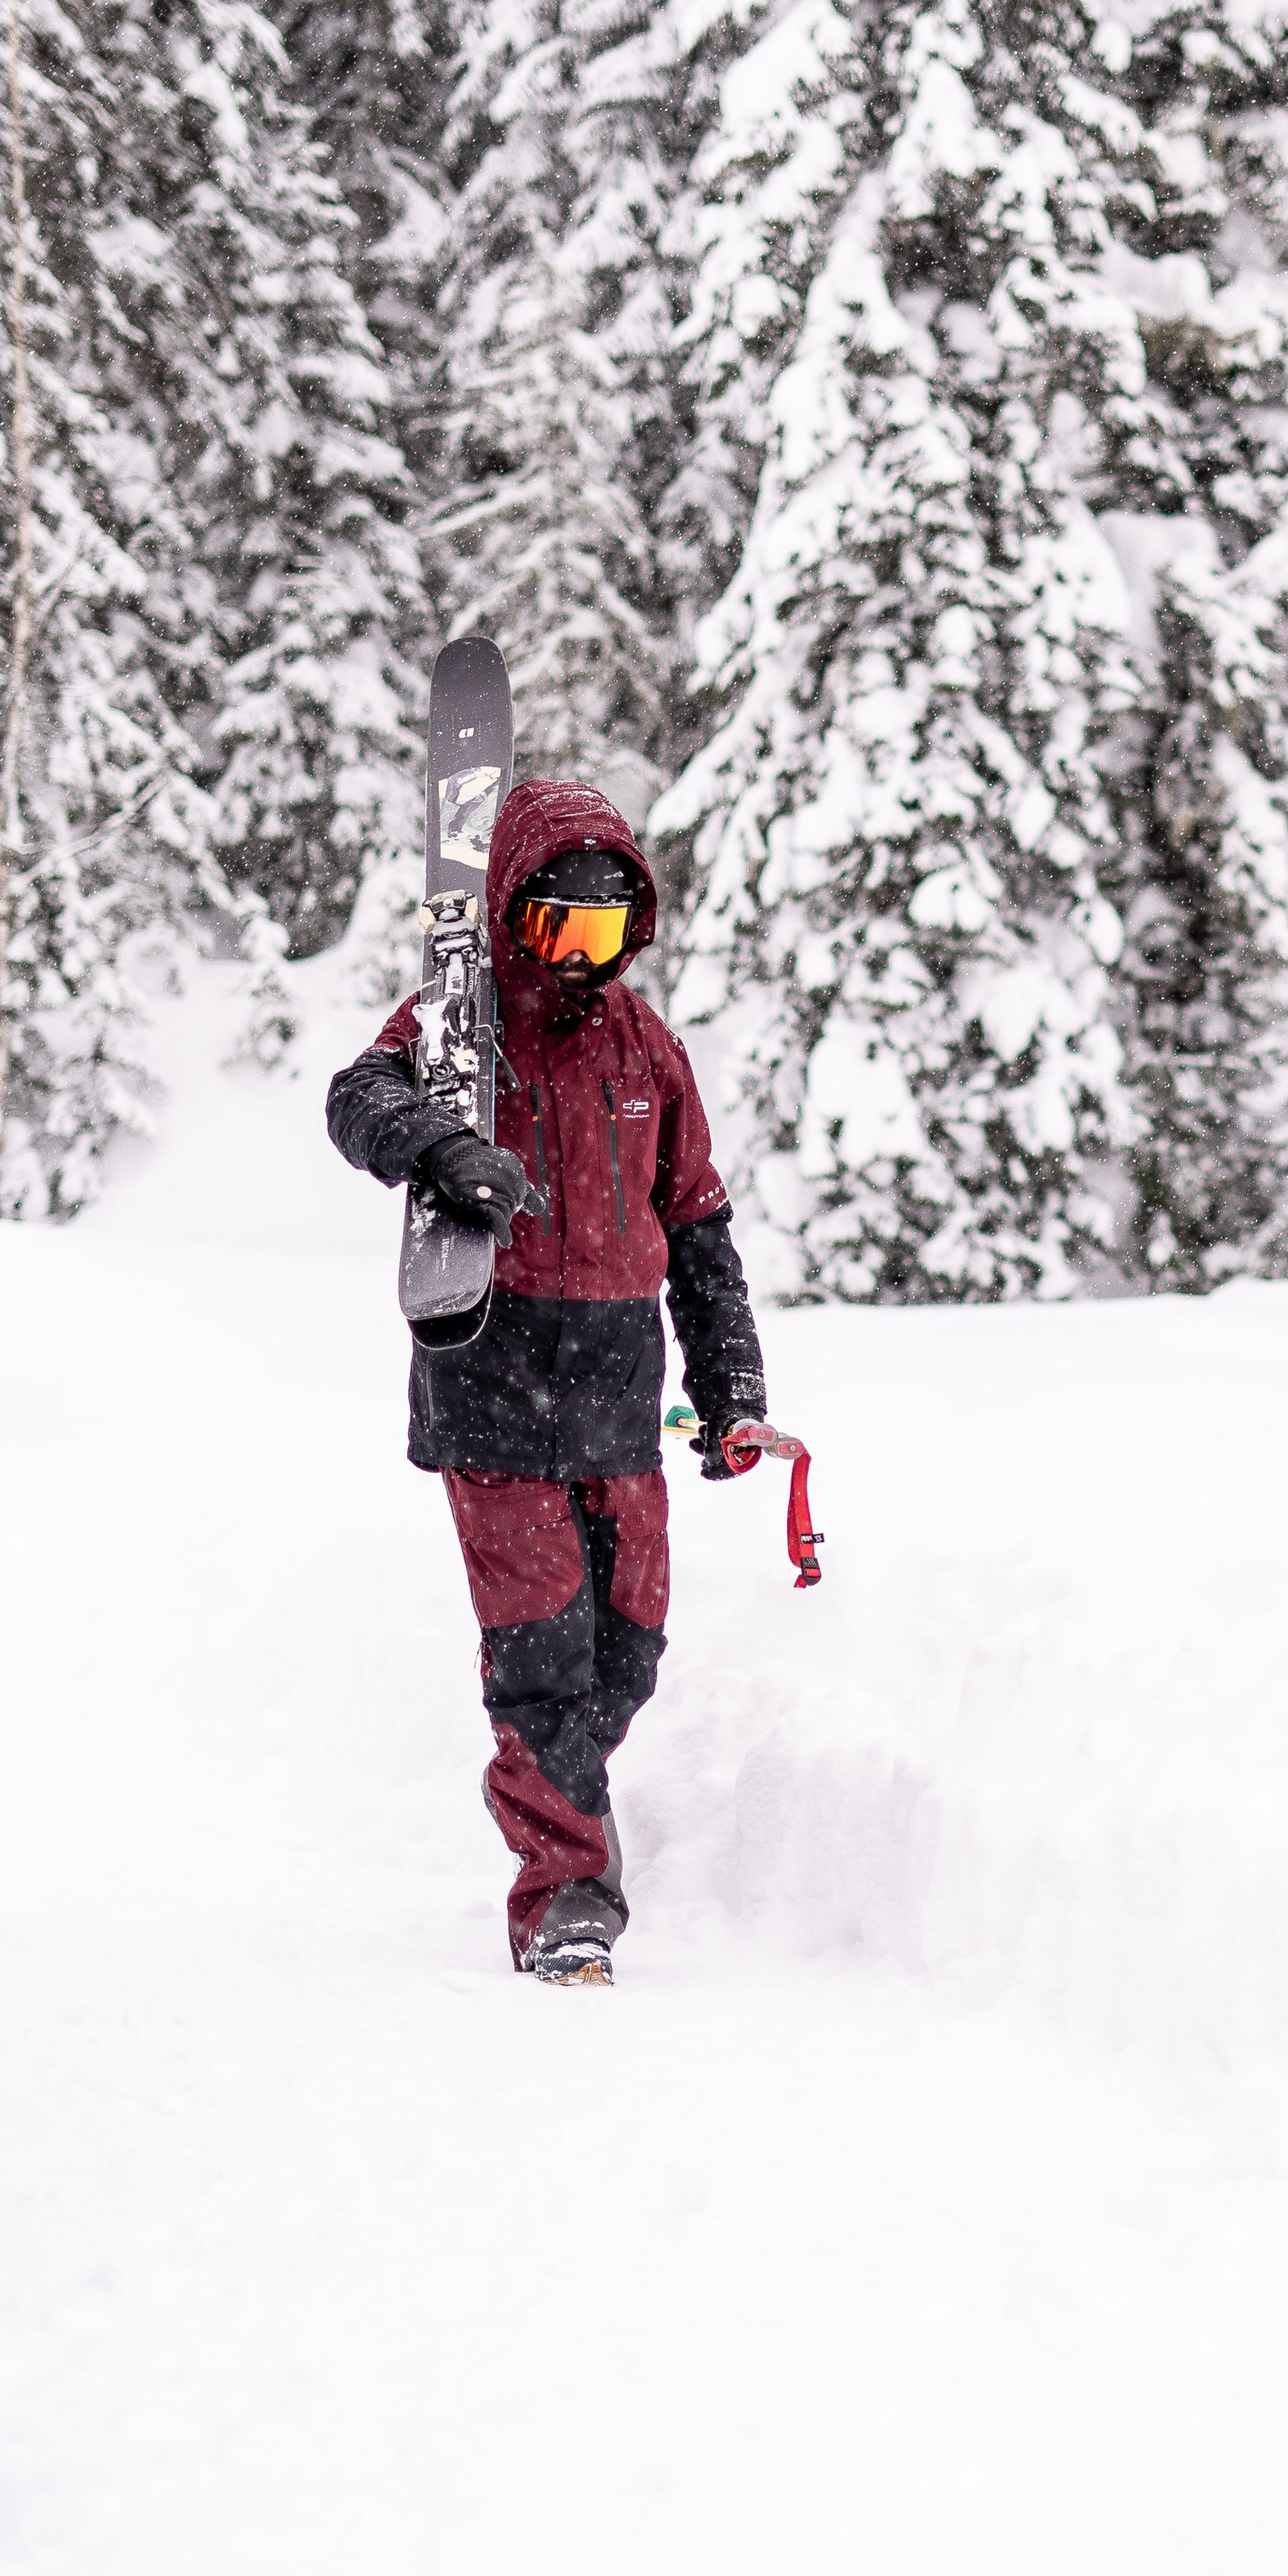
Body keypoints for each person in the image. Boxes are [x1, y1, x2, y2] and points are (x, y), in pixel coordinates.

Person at [326, 778, 774, 1985]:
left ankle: (566, 1777)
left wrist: (732, 1391)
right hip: (493, 1379)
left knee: (627, 1647)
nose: (584, 957)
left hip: (620, 1390)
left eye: (608, 933)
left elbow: (700, 1231)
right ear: (515, 915)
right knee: (540, 1655)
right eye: (558, 930)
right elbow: (355, 1100)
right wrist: (444, 1148)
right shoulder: (455, 1027)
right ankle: (565, 1892)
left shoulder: (648, 1050)